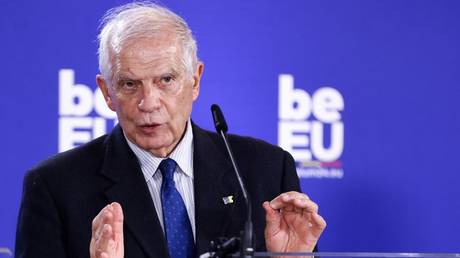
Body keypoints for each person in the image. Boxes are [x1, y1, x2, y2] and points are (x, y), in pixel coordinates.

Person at [15, 2, 326, 258]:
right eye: (129, 83)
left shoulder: (264, 171)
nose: (149, 103)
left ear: (195, 80)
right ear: (106, 92)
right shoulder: (55, 188)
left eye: (166, 80)